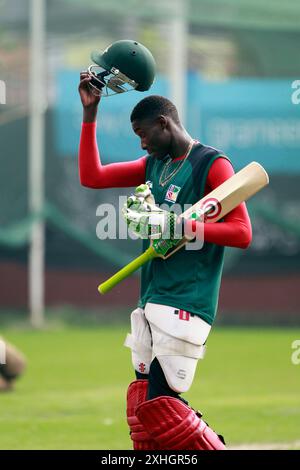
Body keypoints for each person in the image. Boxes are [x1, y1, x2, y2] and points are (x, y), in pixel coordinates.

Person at [78, 73, 252, 450]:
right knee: (142, 412)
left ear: (164, 123)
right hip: (151, 298)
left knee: (161, 407)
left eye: (144, 133)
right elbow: (91, 177)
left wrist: (185, 224)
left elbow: (241, 232)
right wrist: (90, 114)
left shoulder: (212, 164)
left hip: (187, 300)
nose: (142, 143)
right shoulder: (152, 165)